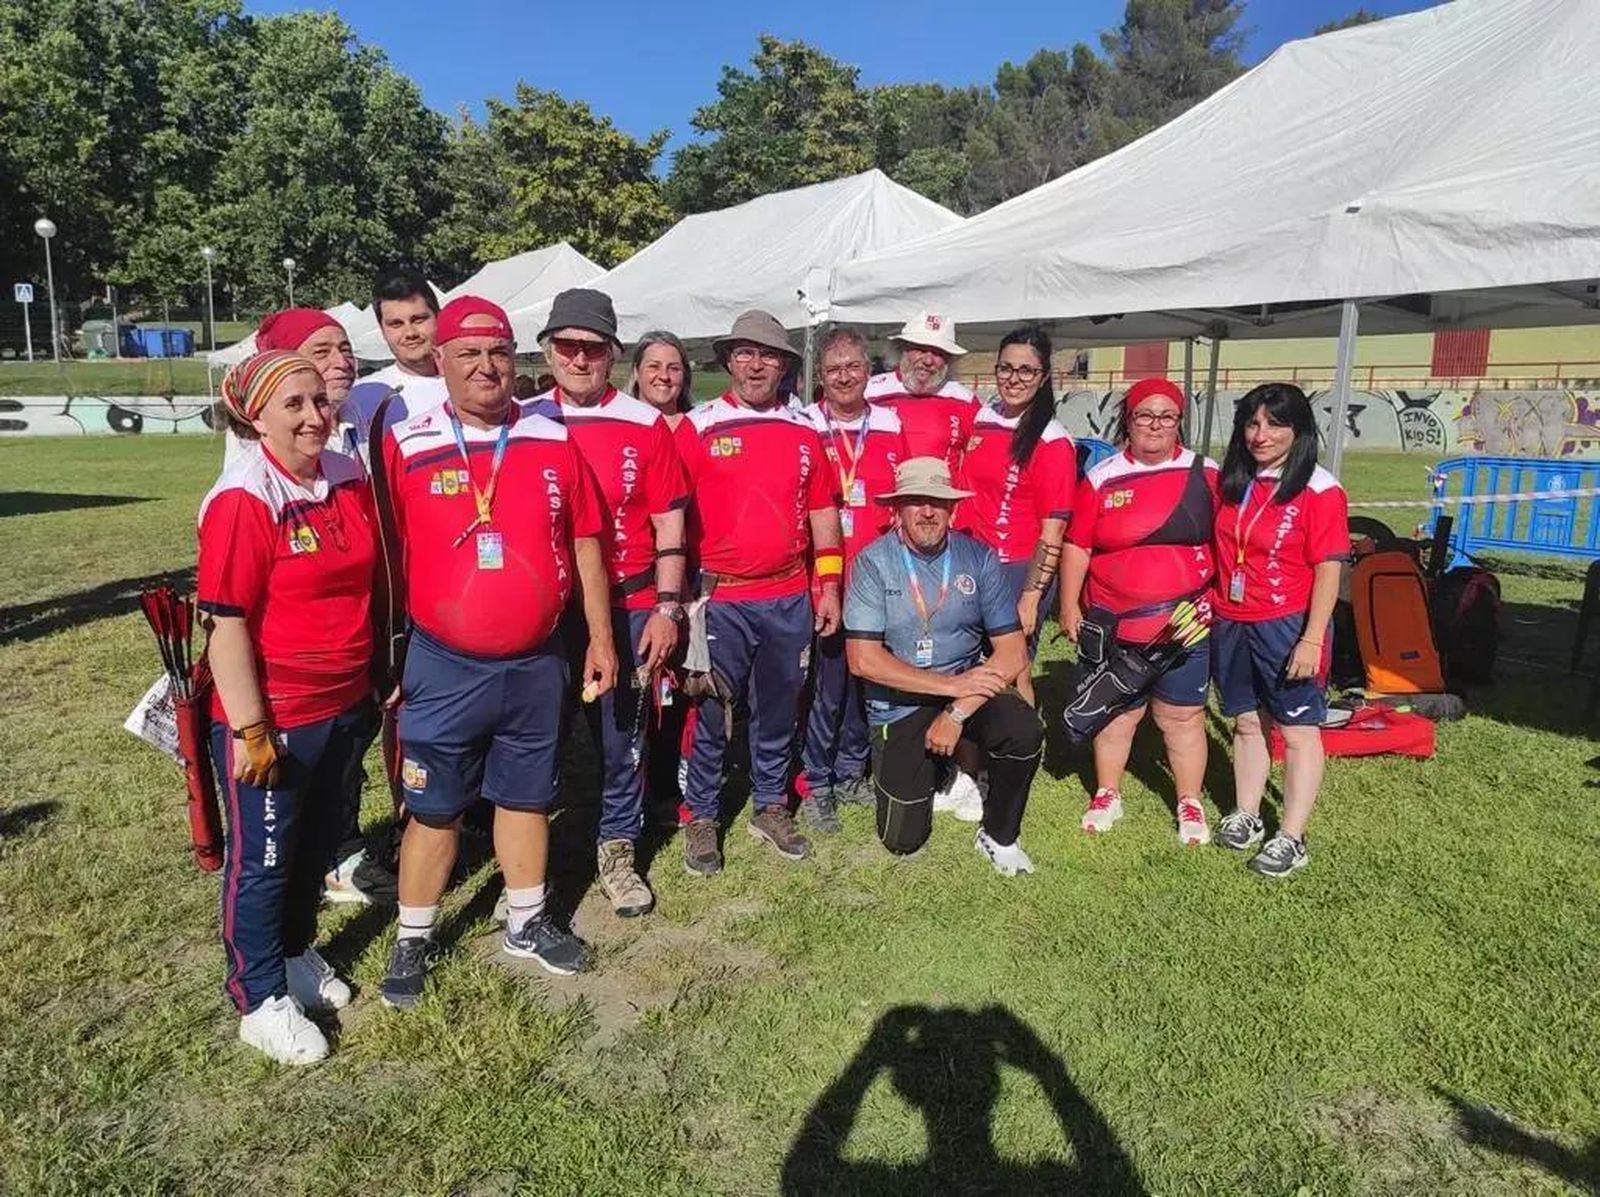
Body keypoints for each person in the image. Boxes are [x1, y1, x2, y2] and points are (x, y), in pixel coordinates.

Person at [377, 295, 617, 1008]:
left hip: (537, 660)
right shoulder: (408, 439)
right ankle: (414, 935)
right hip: (446, 661)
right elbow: (387, 556)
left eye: (499, 352)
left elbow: (584, 540)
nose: (487, 367)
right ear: (440, 361)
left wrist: (600, 635)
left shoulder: (550, 434)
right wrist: (386, 658)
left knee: (526, 794)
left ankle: (525, 919)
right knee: (436, 808)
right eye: (470, 354)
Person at [197, 349, 379, 1064]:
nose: (313, 415)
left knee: (313, 847)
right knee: (266, 857)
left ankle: (298, 950)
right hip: (274, 713)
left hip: (342, 702)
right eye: (293, 404)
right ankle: (258, 992)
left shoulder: (344, 474)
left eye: (318, 400)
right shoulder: (244, 495)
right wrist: (249, 727)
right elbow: (226, 622)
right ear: (256, 415)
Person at [677, 310, 844, 875]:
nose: (756, 364)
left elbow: (824, 511)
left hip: (789, 596)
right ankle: (701, 815)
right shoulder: (696, 427)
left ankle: (770, 805)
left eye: (768, 354)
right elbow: (670, 518)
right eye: (745, 353)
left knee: (778, 710)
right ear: (728, 360)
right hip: (721, 598)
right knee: (712, 709)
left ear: (785, 365)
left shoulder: (805, 431)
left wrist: (828, 586)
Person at [539, 290, 689, 917]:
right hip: (545, 610)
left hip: (629, 601)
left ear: (611, 355)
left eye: (592, 348)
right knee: (534, 739)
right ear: (548, 350)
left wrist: (668, 606)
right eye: (567, 346)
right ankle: (529, 866)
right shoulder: (520, 418)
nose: (579, 358)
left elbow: (670, 524)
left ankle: (618, 849)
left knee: (623, 734)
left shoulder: (643, 422)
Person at [253, 307, 397, 907]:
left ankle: (338, 847)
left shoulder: (357, 421)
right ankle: (314, 860)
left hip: (356, 628)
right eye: (321, 350)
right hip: (294, 662)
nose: (339, 361)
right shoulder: (261, 465)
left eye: (343, 349)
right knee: (301, 774)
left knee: (350, 744)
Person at [843, 457, 1043, 874]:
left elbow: (1012, 653)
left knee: (1024, 728)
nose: (928, 511)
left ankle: (999, 835)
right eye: (916, 501)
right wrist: (949, 689)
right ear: (897, 509)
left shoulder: (979, 558)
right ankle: (941, 770)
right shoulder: (871, 562)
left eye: (937, 501)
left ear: (953, 507)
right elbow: (863, 661)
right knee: (903, 840)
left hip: (966, 693)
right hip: (901, 701)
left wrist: (956, 710)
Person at [1060, 378, 1219, 845]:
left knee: (1182, 717)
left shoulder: (1204, 472)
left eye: (1166, 416)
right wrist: (1070, 605)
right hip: (1116, 624)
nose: (1155, 425)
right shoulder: (1101, 476)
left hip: (1184, 623)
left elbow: (1225, 540)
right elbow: (1077, 546)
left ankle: (1189, 801)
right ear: (1127, 420)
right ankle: (1108, 793)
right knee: (1116, 714)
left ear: (1179, 422)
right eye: (1143, 415)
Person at [1212, 383, 1349, 877]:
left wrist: (1312, 637)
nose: (1260, 434)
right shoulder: (1234, 480)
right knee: (1246, 722)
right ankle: (1247, 812)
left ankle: (1292, 836)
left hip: (1287, 623)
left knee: (1297, 730)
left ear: (1299, 430)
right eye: (1252, 423)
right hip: (1231, 619)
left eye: (1274, 424)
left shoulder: (1320, 488)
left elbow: (1330, 568)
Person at [797, 328, 906, 831]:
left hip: (876, 573)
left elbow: (902, 496)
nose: (844, 377)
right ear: (820, 374)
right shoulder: (804, 424)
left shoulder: (890, 423)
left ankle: (850, 769)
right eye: (834, 368)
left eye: (854, 367)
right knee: (829, 683)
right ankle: (817, 780)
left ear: (869, 371)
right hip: (822, 574)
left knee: (868, 677)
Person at [955, 326, 1077, 705]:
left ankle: (1017, 754)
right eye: (1006, 368)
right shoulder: (984, 418)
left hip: (1015, 569)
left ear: (1042, 378)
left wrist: (1030, 597)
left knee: (1013, 667)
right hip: (971, 560)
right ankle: (974, 759)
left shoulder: (1052, 440)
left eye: (1026, 371)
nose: (1014, 379)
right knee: (971, 664)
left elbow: (1053, 529)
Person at [341, 268, 449, 453]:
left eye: (419, 319)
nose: (410, 333)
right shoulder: (359, 397)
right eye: (396, 324)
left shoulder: (475, 383)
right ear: (383, 330)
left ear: (438, 318)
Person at [865, 312, 979, 468]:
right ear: (902, 349)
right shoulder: (871, 391)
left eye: (938, 353)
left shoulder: (965, 400)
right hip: (881, 490)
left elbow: (979, 459)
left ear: (948, 359)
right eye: (920, 349)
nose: (928, 360)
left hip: (940, 491)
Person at [630, 330, 694, 425]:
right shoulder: (616, 423)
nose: (664, 376)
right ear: (636, 372)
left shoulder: (702, 425)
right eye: (654, 367)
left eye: (674, 368)